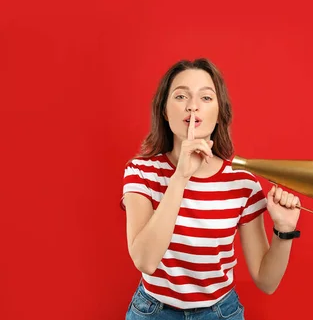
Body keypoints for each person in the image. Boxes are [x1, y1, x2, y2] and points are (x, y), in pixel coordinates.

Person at [120, 58, 302, 319]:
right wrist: (180, 177)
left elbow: (266, 281)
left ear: (219, 114)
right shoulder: (141, 172)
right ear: (164, 110)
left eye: (206, 98)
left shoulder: (243, 183)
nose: (193, 106)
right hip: (152, 312)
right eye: (181, 96)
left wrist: (284, 231)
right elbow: (145, 261)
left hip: (219, 313)